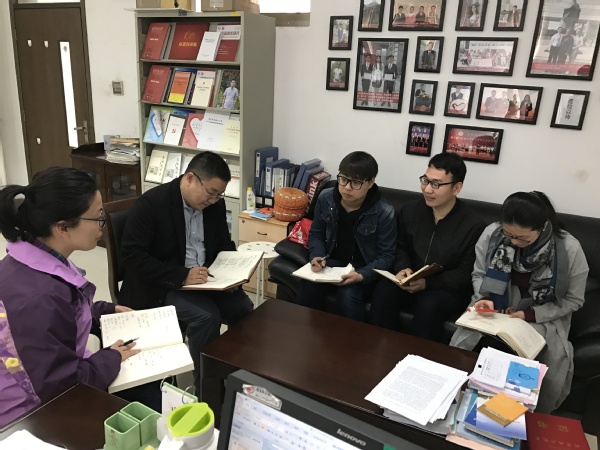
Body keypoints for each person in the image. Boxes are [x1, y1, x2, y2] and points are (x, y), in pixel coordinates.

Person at [0, 167, 160, 428]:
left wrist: (102, 312)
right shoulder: (40, 299)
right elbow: (62, 386)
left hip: (51, 379)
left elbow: (64, 312)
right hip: (29, 412)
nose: (102, 225)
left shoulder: (36, 257)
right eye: (98, 217)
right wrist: (110, 358)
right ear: (62, 227)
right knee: (148, 393)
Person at [119, 152, 254, 394]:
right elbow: (132, 256)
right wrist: (182, 275)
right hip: (163, 284)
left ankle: (231, 373)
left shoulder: (214, 205)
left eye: (219, 195)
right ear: (190, 178)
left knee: (243, 307)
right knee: (206, 316)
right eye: (210, 193)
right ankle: (207, 389)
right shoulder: (152, 204)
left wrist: (234, 273)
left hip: (206, 279)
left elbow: (223, 244)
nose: (213, 200)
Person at [450, 192, 588, 413]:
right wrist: (485, 298)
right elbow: (479, 274)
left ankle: (509, 413)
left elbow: (574, 300)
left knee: (525, 360)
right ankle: (462, 404)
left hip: (541, 317)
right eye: (509, 235)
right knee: (467, 347)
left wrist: (529, 315)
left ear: (543, 227)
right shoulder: (492, 235)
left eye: (523, 238)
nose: (514, 242)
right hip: (494, 311)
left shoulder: (568, 248)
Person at [369, 154, 485, 342]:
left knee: (429, 304)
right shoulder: (410, 210)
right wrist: (403, 268)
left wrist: (428, 284)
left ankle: (419, 357)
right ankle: (376, 347)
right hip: (410, 280)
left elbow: (465, 272)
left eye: (436, 184)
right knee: (384, 290)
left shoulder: (473, 225)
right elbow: (400, 246)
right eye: (425, 180)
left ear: (456, 188)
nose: (427, 189)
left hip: (446, 289)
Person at [295, 151, 396, 322]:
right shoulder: (326, 198)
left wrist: (362, 275)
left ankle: (353, 339)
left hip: (363, 268)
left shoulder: (384, 212)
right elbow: (316, 233)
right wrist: (317, 255)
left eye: (356, 182)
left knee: (348, 296)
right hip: (331, 264)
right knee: (307, 284)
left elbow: (387, 256)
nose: (347, 187)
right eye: (343, 179)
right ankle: (304, 333)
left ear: (371, 182)